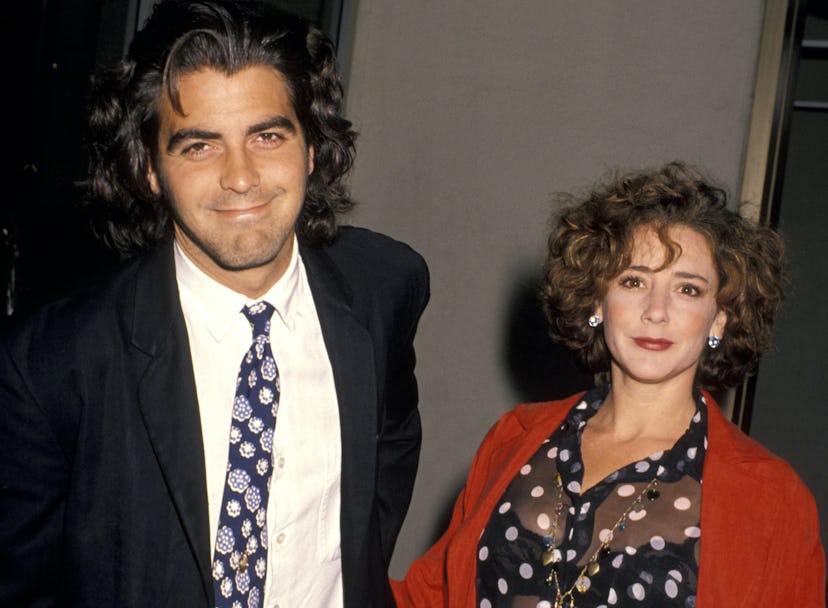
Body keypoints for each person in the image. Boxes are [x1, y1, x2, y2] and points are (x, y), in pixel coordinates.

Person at [0, 1, 429, 607]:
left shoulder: (385, 285)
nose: (241, 177)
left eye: (268, 135)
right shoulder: (53, 362)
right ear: (149, 167)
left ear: (311, 147)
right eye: (199, 146)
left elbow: (391, 441)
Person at [392, 162, 824, 607]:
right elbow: (430, 595)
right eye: (633, 281)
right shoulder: (515, 437)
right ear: (598, 299)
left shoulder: (773, 497)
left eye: (687, 289)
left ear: (720, 318)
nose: (656, 311)